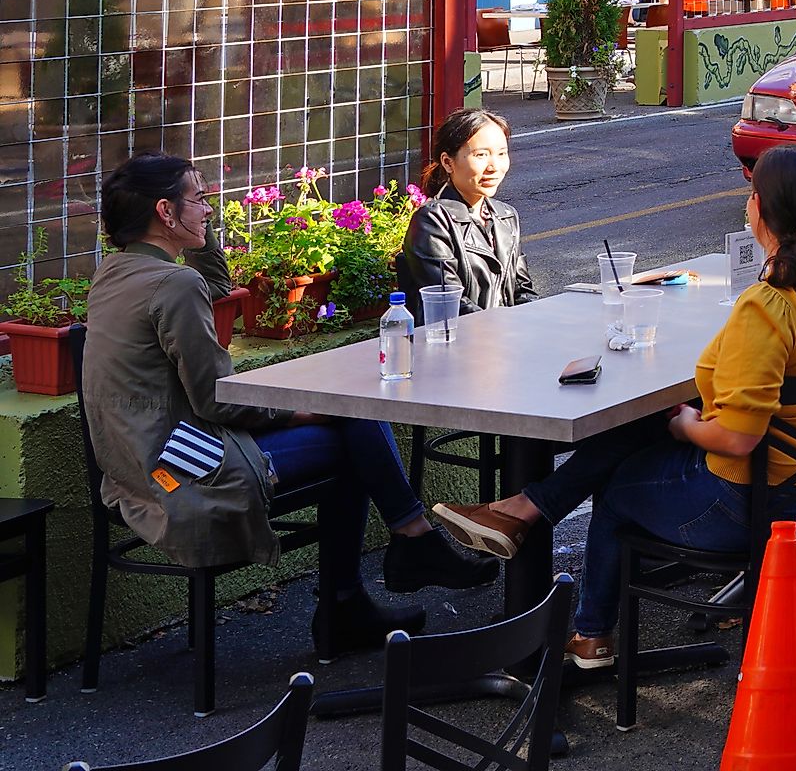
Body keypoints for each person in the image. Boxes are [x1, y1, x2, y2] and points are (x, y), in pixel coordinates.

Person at [434, 146, 796, 670]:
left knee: (617, 486)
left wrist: (688, 428)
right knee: (644, 433)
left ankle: (590, 635)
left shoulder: (769, 306)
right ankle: (525, 511)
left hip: (750, 507)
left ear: (757, 208)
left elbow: (738, 439)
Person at [83, 155, 494, 659]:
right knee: (355, 425)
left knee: (351, 425)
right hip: (183, 473)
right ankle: (386, 565)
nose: (210, 210)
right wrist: (296, 413)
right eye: (200, 200)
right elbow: (218, 399)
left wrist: (195, 229)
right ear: (165, 212)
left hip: (136, 465)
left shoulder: (117, 273)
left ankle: (384, 570)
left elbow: (210, 286)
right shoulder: (172, 284)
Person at [397, 107, 535, 314]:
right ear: (447, 162)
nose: (494, 166)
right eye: (481, 155)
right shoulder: (433, 221)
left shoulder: (506, 216)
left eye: (501, 154)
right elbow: (452, 302)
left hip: (508, 336)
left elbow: (523, 291)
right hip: (459, 340)